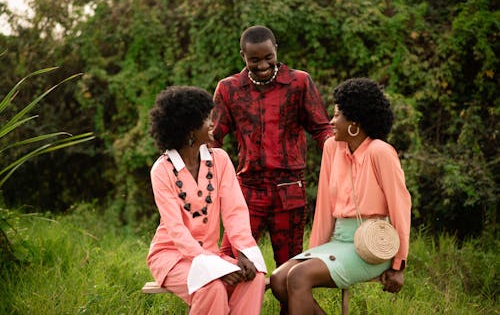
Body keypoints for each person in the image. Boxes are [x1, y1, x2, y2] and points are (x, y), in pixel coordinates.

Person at [270, 78, 412, 314]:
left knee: (298, 277)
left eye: (337, 116)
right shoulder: (332, 148)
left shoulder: (381, 152)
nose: (331, 122)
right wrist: (316, 254)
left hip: (371, 246)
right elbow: (325, 207)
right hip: (337, 241)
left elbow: (401, 207)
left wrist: (399, 264)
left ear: (355, 123)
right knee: (278, 279)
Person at [211, 25, 334, 268]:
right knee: (231, 259)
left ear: (276, 50)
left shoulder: (299, 82)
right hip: (247, 189)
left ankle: (290, 307)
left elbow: (322, 128)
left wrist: (339, 155)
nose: (263, 65)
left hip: (289, 188)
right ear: (243, 56)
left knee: (289, 268)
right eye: (254, 60)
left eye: (268, 57)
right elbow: (213, 138)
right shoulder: (229, 88)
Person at [146, 86, 267, 315]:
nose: (212, 123)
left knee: (254, 278)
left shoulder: (220, 160)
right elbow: (175, 229)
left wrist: (243, 252)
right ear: (189, 130)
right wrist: (213, 267)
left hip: (210, 256)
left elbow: (235, 213)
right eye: (205, 119)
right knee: (212, 287)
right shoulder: (161, 170)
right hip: (171, 257)